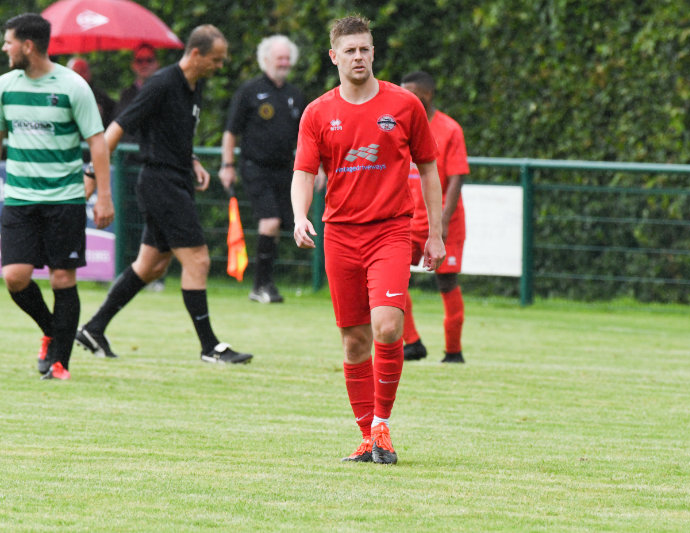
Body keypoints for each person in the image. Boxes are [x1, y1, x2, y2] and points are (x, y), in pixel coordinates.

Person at [291, 15, 445, 464]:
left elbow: (429, 169)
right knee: (354, 341)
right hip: (340, 235)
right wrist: (299, 216)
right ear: (334, 56)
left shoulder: (404, 105)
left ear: (373, 53)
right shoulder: (318, 112)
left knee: (388, 326)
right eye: (350, 50)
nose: (358, 57)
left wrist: (435, 234)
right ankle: (366, 436)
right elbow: (304, 171)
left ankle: (382, 424)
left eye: (365, 49)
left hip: (391, 230)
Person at [75, 24, 253, 365]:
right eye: (216, 59)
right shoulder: (161, 84)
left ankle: (94, 329)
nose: (220, 66)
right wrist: (92, 176)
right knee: (198, 260)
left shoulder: (194, 86)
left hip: (175, 180)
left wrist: (193, 160)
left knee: (151, 265)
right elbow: (116, 129)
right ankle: (209, 347)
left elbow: (174, 133)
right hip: (161, 183)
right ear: (196, 53)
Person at [0, 13, 114, 380]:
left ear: (28, 46)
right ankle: (52, 331)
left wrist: (104, 196)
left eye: (9, 42)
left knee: (63, 279)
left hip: (64, 199)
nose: (5, 48)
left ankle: (60, 363)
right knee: (14, 277)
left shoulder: (72, 86)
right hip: (19, 199)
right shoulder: (5, 87)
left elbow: (97, 142)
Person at [219, 35, 306, 304]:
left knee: (278, 227)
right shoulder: (250, 91)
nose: (284, 62)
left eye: (287, 58)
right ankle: (259, 286)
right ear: (266, 59)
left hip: (284, 170)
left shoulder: (295, 95)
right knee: (270, 221)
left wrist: (317, 168)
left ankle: (266, 283)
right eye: (279, 58)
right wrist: (227, 165)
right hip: (255, 167)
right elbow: (230, 132)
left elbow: (306, 137)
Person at [400, 71, 470, 364]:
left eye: (410, 93)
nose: (404, 98)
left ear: (426, 95)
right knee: (392, 277)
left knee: (446, 282)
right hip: (407, 221)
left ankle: (453, 351)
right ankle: (412, 342)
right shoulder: (399, 127)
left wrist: (440, 224)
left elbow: (456, 179)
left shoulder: (449, 129)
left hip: (443, 223)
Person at [113, 44, 166, 292]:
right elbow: (122, 127)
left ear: (157, 63)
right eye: (140, 60)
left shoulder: (164, 89)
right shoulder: (127, 94)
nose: (144, 64)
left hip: (157, 166)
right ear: (134, 65)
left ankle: (156, 275)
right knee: (131, 225)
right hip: (130, 169)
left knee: (157, 223)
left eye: (149, 60)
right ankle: (131, 274)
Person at [67, 56, 116, 129]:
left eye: (83, 71)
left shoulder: (100, 96)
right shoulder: (63, 95)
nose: (80, 75)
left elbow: (115, 116)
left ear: (89, 73)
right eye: (76, 72)